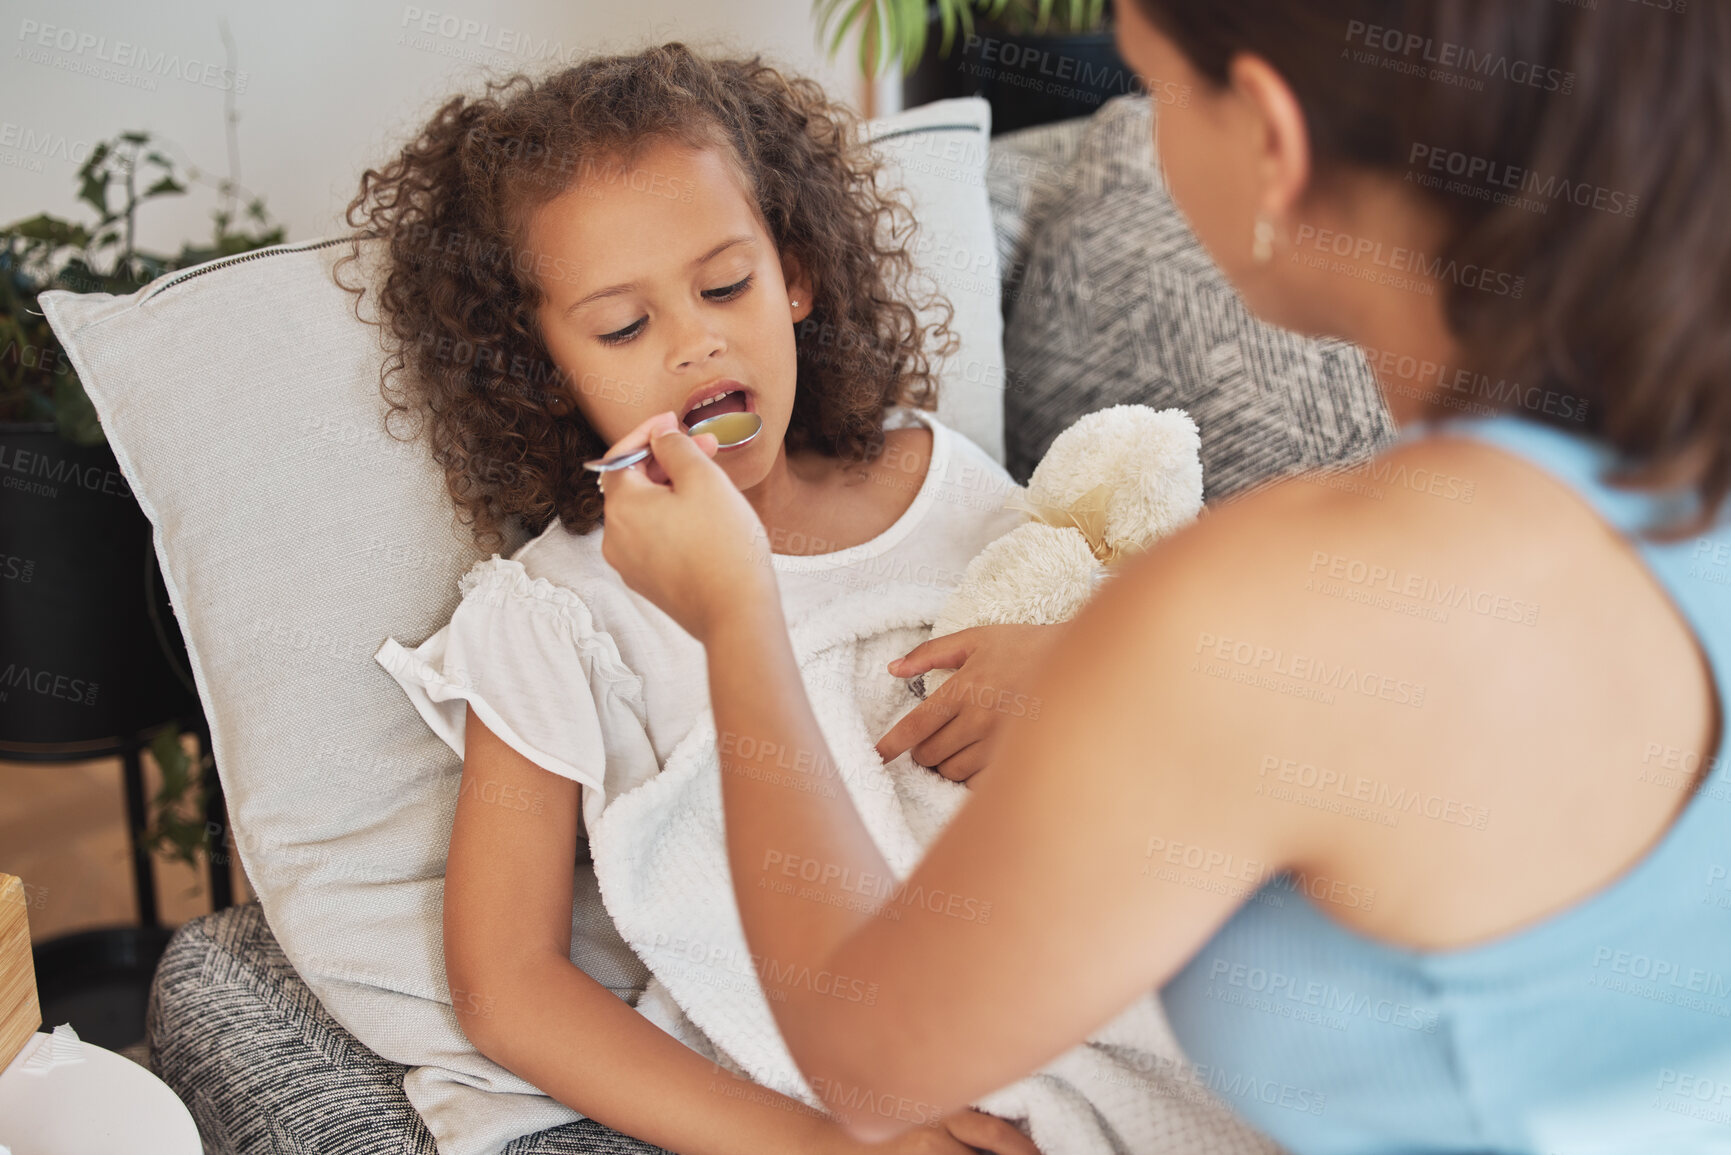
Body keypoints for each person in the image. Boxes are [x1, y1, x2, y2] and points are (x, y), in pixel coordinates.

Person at [593, 2, 1731, 1152]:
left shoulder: (1270, 603)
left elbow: (866, 1060)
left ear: (1273, 146)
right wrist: (1115, 691)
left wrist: (741, 618)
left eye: (1154, 90)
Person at [357, 44, 1046, 1155]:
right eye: (624, 329)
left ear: (796, 276)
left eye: (725, 285)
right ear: (542, 369)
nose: (697, 340)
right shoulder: (555, 613)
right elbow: (507, 985)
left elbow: (1120, 659)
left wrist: (1071, 666)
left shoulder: (940, 476)